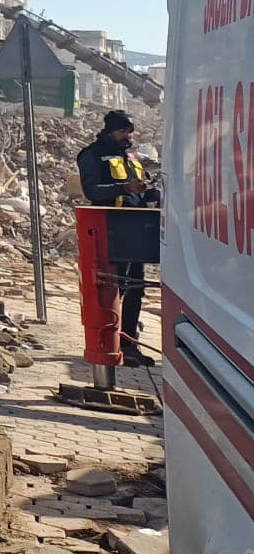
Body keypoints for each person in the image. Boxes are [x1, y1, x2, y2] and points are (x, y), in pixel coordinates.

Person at [77, 110, 159, 367]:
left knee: (136, 288)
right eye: (123, 131)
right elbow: (92, 190)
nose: (128, 137)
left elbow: (138, 191)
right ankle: (108, 341)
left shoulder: (131, 156)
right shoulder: (91, 155)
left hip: (136, 228)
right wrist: (123, 188)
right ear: (110, 131)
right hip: (111, 229)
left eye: (130, 132)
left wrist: (150, 193)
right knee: (115, 289)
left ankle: (128, 342)